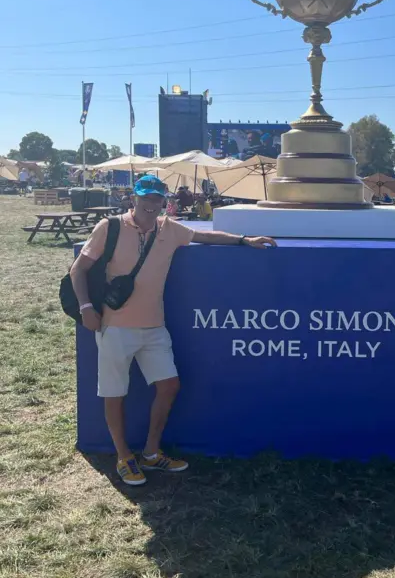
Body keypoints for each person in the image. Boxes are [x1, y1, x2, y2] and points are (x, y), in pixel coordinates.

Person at [70, 175, 277, 486]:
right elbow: (79, 269)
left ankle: (151, 453)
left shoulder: (170, 229)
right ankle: (124, 456)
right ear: (134, 199)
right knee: (114, 394)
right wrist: (86, 308)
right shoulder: (110, 227)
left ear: (164, 201)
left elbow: (205, 237)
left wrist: (243, 240)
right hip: (114, 326)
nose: (151, 203)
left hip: (154, 327)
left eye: (157, 198)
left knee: (169, 386)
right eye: (146, 197)